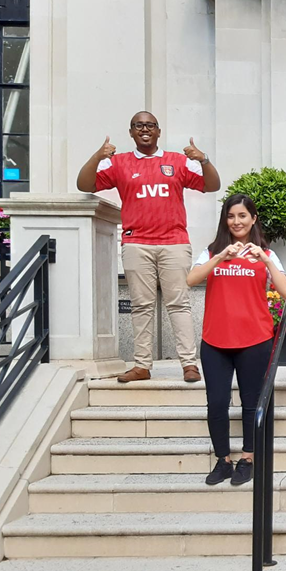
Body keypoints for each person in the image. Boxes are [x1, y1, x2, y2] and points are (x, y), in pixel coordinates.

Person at [76, 111, 221, 383]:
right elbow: (84, 183)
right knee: (141, 306)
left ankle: (189, 364)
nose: (145, 129)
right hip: (136, 243)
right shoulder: (118, 163)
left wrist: (204, 159)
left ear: (158, 131)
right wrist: (98, 156)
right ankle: (142, 365)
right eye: (138, 126)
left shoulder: (177, 162)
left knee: (178, 304)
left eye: (150, 125)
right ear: (131, 132)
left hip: (174, 243)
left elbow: (212, 185)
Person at [185, 194, 286, 485]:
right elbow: (191, 280)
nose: (237, 222)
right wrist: (221, 257)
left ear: (253, 219)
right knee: (217, 402)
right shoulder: (212, 252)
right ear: (225, 220)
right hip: (215, 341)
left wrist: (266, 261)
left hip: (255, 340)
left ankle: (248, 458)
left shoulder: (266, 254)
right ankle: (223, 460)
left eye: (243, 216)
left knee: (250, 403)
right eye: (231, 216)